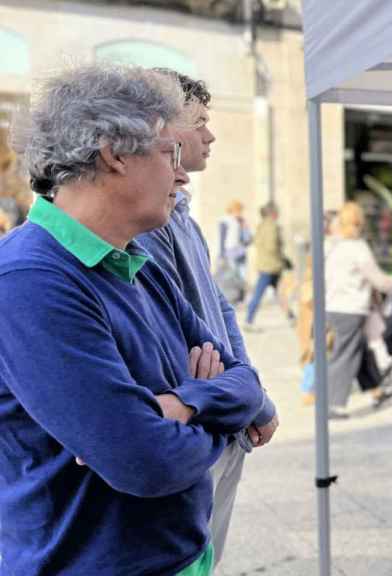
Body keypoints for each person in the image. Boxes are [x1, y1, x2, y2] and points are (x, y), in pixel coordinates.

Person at [0, 63, 265, 576]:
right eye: (170, 154)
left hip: (180, 556)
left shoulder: (136, 262)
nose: (182, 174)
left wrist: (182, 404)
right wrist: (207, 408)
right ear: (114, 154)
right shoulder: (30, 281)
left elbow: (246, 382)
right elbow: (145, 462)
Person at [135, 69, 278, 568]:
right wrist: (233, 399)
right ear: (161, 130)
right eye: (198, 123)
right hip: (198, 421)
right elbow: (173, 333)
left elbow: (217, 309)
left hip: (217, 409)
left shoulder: (181, 215)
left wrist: (251, 392)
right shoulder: (146, 221)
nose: (210, 135)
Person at [323, 202, 392, 418]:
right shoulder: (357, 248)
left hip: (334, 306)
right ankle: (333, 404)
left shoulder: (334, 246)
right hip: (351, 309)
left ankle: (377, 391)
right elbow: (378, 280)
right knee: (346, 355)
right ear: (359, 222)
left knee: (359, 351)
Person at [245, 202, 294, 328]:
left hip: (265, 264)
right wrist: (283, 260)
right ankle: (248, 320)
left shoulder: (261, 225)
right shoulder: (271, 226)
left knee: (279, 293)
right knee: (259, 293)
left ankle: (291, 317)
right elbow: (272, 247)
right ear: (272, 213)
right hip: (271, 266)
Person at [219, 198, 251, 279]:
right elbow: (222, 239)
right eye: (238, 210)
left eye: (240, 210)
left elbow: (247, 240)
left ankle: (240, 291)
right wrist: (222, 254)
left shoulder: (242, 221)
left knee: (241, 275)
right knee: (231, 275)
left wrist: (245, 228)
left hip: (241, 252)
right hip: (230, 251)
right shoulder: (225, 221)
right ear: (232, 210)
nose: (240, 212)